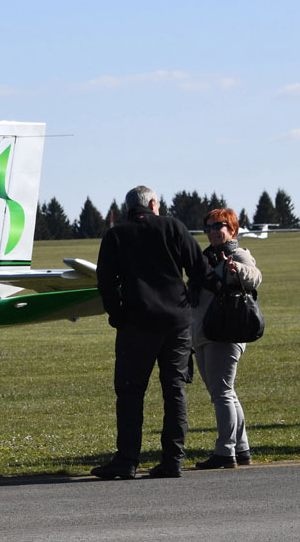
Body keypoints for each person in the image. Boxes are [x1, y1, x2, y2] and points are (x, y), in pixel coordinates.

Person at [91, 186, 216, 480]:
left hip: (136, 324)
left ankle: (127, 460)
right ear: (153, 203)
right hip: (176, 323)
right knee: (174, 390)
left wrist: (118, 316)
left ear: (130, 208)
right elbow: (199, 269)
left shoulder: (116, 235)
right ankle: (173, 459)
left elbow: (105, 282)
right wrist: (222, 286)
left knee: (131, 393)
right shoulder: (173, 226)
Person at [190, 208, 262, 469]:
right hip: (204, 332)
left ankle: (225, 451)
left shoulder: (236, 253)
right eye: (207, 227)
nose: (212, 231)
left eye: (218, 226)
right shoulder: (206, 257)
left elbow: (256, 276)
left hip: (226, 332)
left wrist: (237, 269)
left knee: (222, 393)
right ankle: (241, 449)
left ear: (232, 229)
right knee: (224, 393)